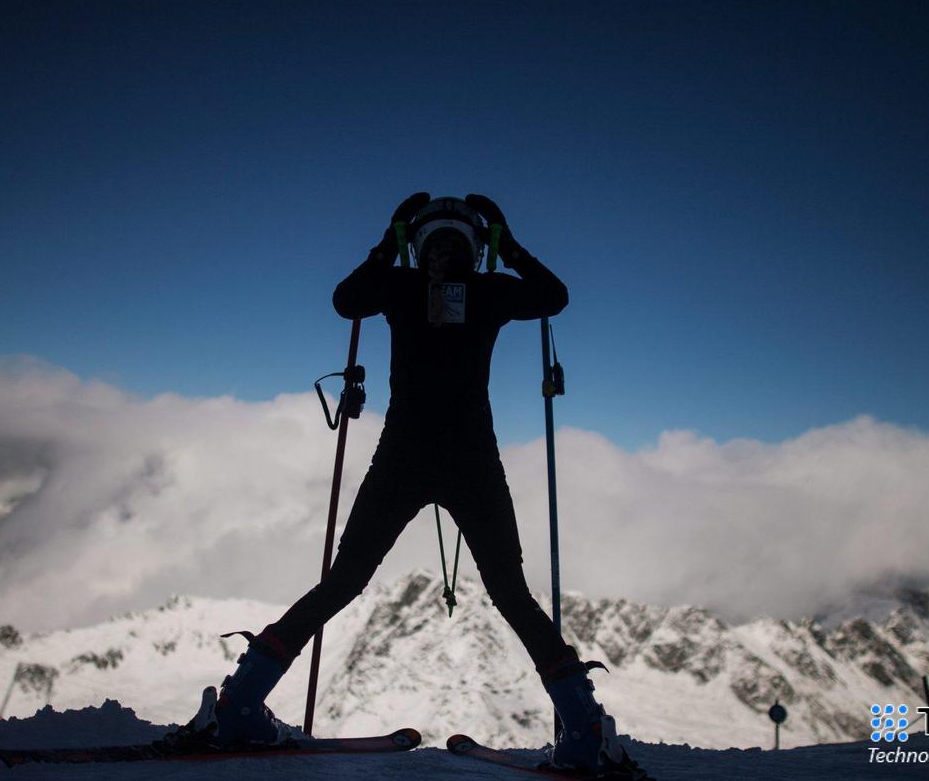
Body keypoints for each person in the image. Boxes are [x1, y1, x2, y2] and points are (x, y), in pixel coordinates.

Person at [184, 193, 642, 777]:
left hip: (401, 456)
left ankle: (241, 706)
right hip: (472, 460)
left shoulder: (399, 286)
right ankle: (582, 731)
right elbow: (554, 296)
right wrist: (509, 244)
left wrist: (388, 242)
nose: (445, 254)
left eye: (441, 244)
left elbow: (346, 301)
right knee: (510, 593)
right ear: (478, 251)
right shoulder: (491, 292)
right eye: (445, 244)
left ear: (420, 245)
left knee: (345, 580)